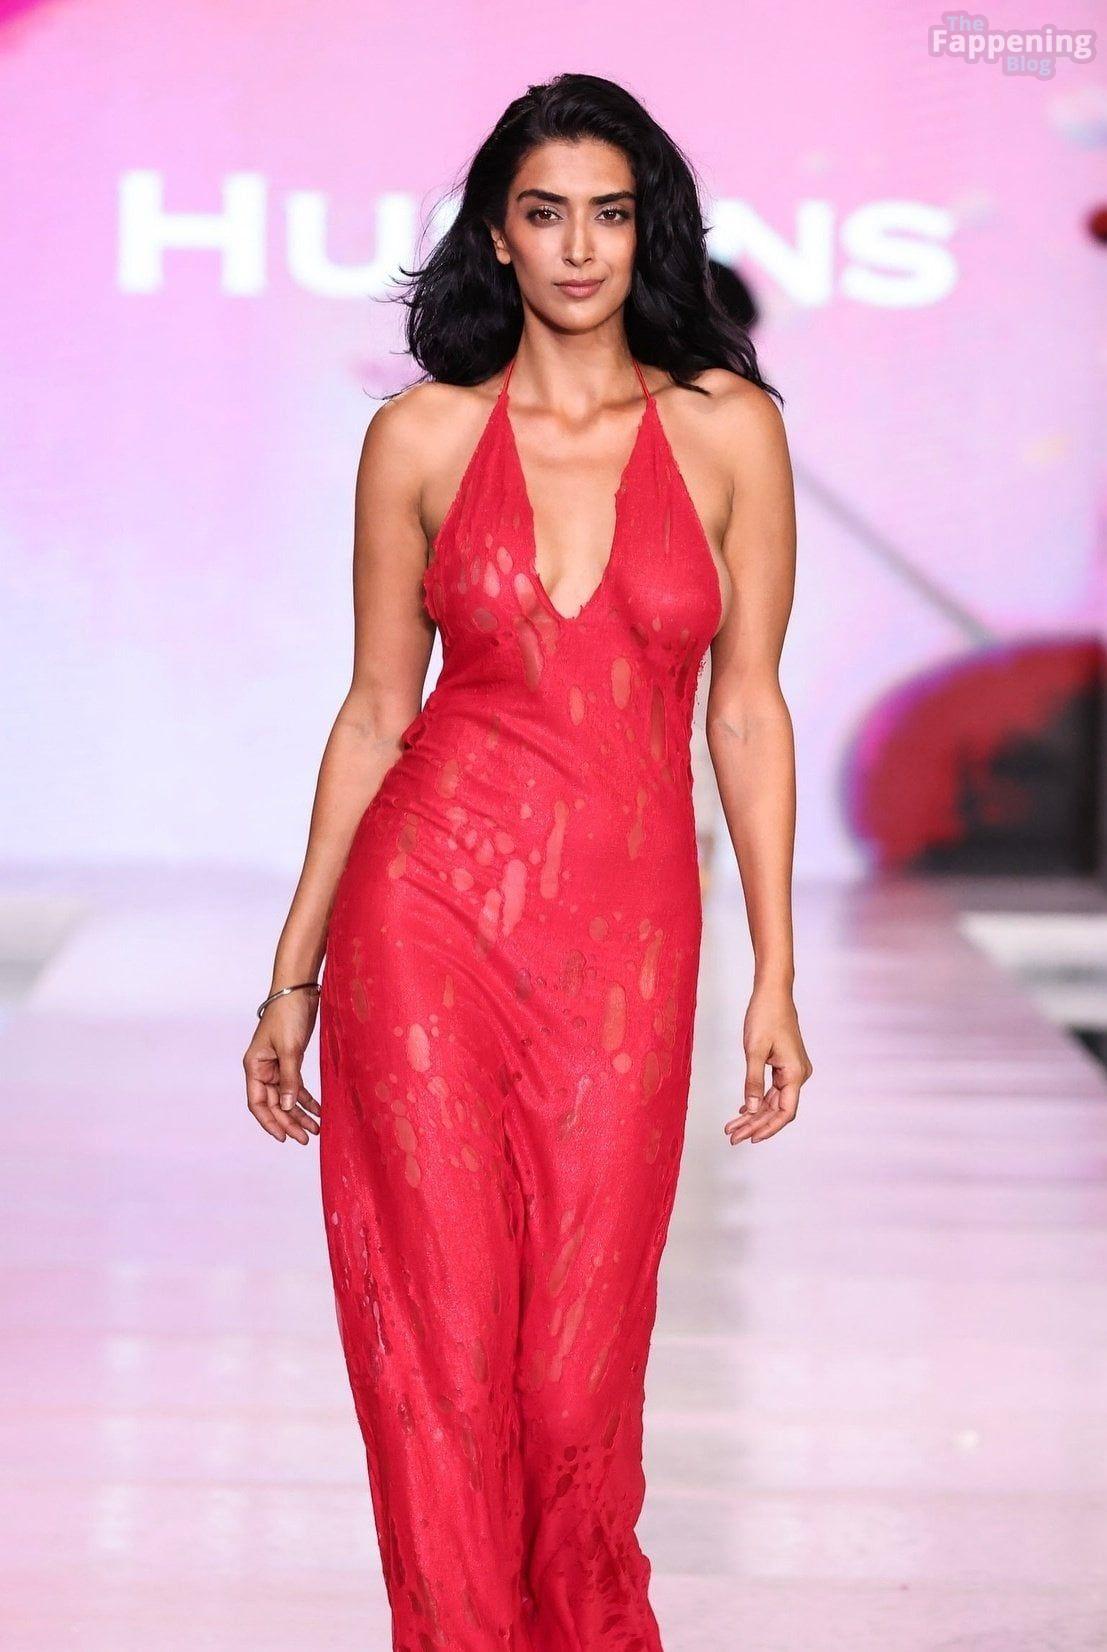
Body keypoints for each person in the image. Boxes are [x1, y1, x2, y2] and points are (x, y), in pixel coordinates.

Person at [243, 71, 812, 1652]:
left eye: (608, 215)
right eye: (545, 213)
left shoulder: (729, 431)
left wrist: (776, 970)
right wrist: (295, 974)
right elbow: (376, 711)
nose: (578, 248)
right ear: (497, 231)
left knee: (574, 1377)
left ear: (648, 230)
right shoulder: (420, 437)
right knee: (439, 1348)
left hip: (626, 944)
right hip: (425, 918)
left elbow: (748, 711)